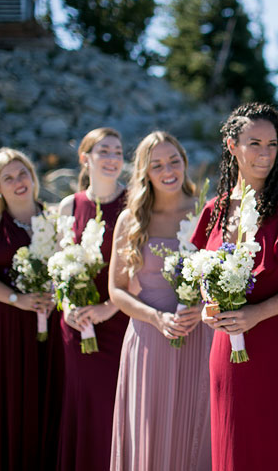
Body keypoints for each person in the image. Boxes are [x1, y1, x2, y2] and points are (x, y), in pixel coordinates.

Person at [191, 103, 278, 471]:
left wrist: (256, 313)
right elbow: (203, 274)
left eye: (273, 144)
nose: (265, 154)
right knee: (235, 446)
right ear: (232, 145)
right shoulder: (213, 209)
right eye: (254, 143)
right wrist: (208, 306)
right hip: (227, 352)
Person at [108, 131, 213, 470]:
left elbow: (224, 275)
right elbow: (117, 290)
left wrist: (199, 310)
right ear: (145, 172)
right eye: (157, 165)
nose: (168, 170)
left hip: (200, 336)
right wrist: (156, 318)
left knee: (198, 432)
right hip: (149, 340)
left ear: (184, 162)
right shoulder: (131, 220)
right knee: (150, 433)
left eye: (174, 161)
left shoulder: (207, 212)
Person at [57, 127, 130, 471]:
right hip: (79, 325)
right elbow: (59, 266)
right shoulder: (69, 206)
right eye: (104, 151)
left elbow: (141, 268)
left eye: (118, 152)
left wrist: (110, 307)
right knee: (85, 408)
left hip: (121, 321)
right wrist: (68, 306)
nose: (113, 159)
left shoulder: (134, 202)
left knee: (117, 407)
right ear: (85, 158)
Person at [0, 148, 62, 471]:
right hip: (5, 328)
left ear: (33, 177)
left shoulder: (55, 218)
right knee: (10, 402)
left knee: (48, 398)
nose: (18, 182)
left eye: (23, 174)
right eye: (9, 178)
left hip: (51, 325)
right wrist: (19, 300)